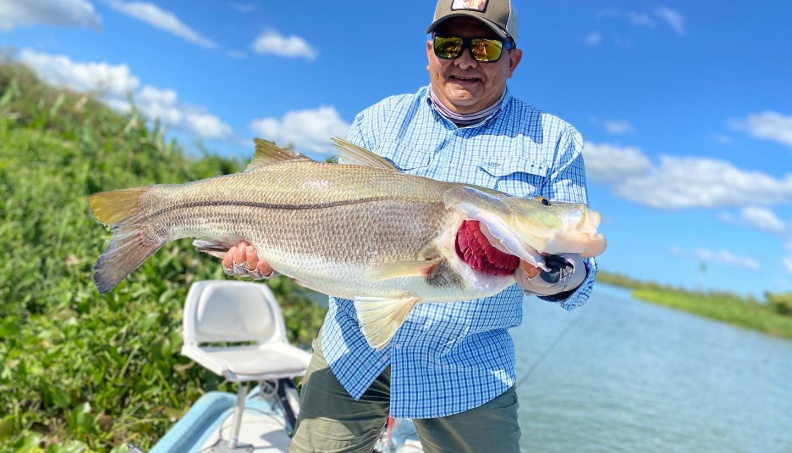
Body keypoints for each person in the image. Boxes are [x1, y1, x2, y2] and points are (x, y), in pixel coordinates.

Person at [222, 0, 597, 451]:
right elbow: (321, 224)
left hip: (468, 369)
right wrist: (266, 249)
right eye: (449, 43)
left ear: (512, 60)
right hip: (352, 354)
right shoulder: (378, 122)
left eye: (483, 47)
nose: (463, 59)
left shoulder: (555, 141)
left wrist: (551, 275)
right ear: (428, 52)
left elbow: (578, 273)